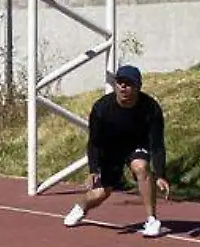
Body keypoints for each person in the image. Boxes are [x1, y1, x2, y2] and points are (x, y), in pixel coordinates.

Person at [64, 64, 170, 238]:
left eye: (128, 84)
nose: (123, 87)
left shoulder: (151, 108)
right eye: (120, 82)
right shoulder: (101, 108)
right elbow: (95, 142)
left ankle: (152, 220)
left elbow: (157, 144)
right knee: (101, 193)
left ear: (138, 87)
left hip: (136, 145)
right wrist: (93, 170)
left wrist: (160, 174)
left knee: (142, 167)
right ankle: (80, 207)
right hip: (111, 148)